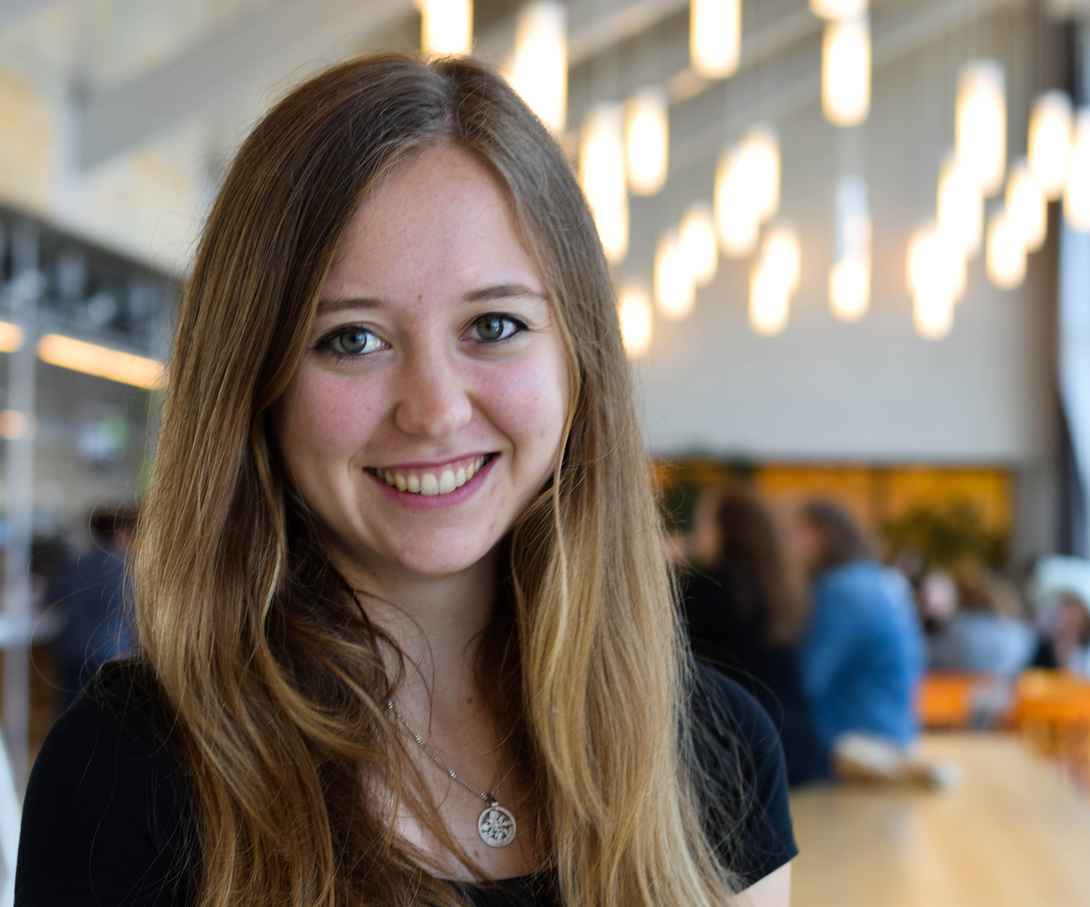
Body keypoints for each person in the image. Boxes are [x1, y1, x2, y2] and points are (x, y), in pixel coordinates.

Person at [17, 55, 794, 907]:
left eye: (494, 324)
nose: (433, 409)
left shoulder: (714, 748)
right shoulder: (129, 772)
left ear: (579, 362)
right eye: (352, 339)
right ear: (255, 387)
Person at [680, 485, 829, 787]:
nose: (697, 533)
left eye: (704, 522)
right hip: (797, 747)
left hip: (737, 751)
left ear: (726, 530)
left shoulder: (708, 589)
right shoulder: (779, 588)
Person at [792, 500, 925, 751]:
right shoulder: (876, 580)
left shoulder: (840, 590)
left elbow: (810, 677)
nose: (790, 544)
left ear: (823, 537)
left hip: (858, 740)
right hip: (896, 730)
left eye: (798, 532)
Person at [45, 505, 137, 709]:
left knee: (69, 713)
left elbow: (51, 598)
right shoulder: (125, 570)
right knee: (103, 715)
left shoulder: (75, 564)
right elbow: (131, 616)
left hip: (71, 650)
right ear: (121, 532)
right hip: (107, 654)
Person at [927, 565, 1036, 678]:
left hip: (951, 690)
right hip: (1001, 690)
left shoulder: (957, 632)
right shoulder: (1021, 635)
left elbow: (931, 658)